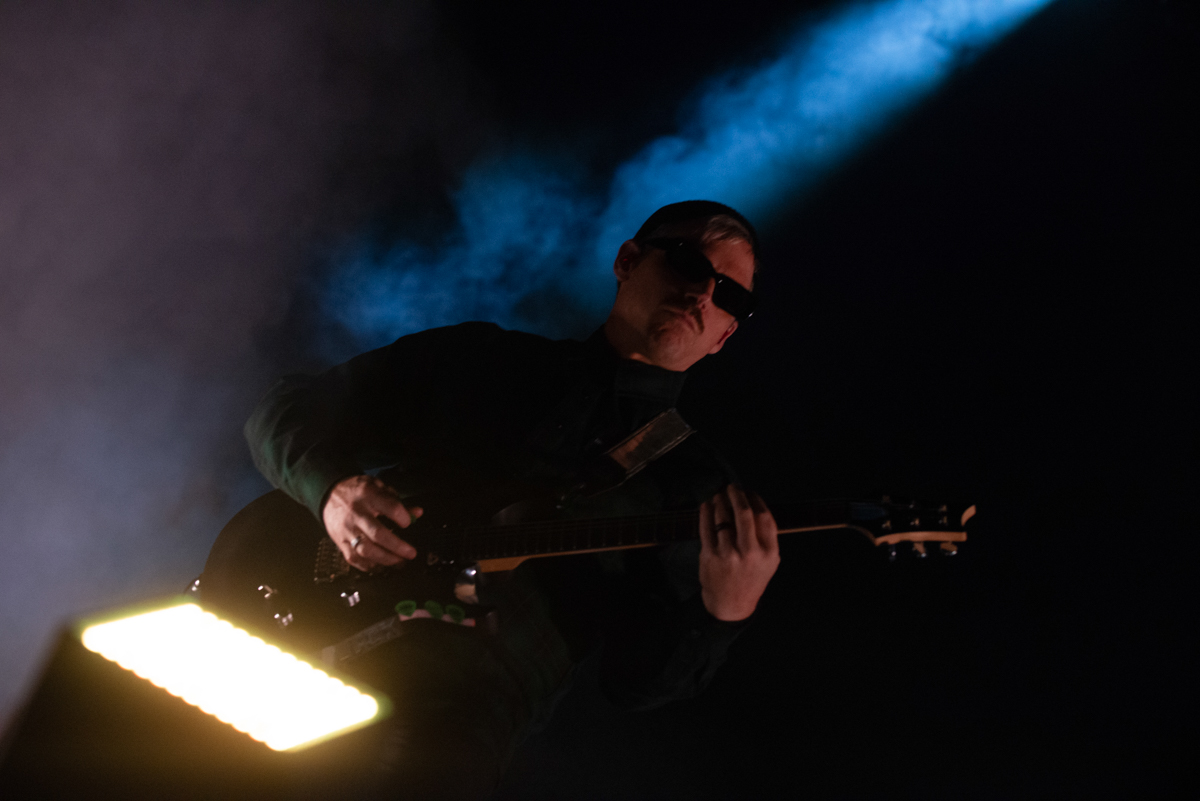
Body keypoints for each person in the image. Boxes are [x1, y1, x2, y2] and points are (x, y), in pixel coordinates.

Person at [243, 200, 781, 799]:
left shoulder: (698, 488)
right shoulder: (483, 359)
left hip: (456, 711)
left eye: (730, 296)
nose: (702, 294)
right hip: (282, 635)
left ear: (726, 335)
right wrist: (332, 493)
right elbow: (284, 410)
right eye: (687, 263)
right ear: (628, 261)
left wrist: (724, 612)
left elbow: (634, 684)